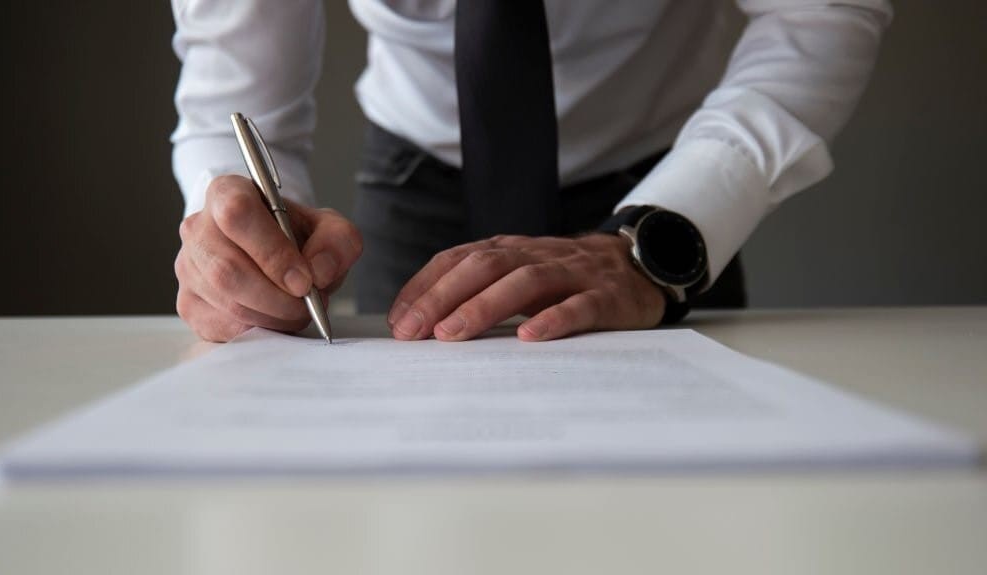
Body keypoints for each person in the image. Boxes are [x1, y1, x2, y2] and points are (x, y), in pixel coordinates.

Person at [170, 0, 891, 343]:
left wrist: (665, 231)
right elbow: (236, 90)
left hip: (659, 190)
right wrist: (241, 232)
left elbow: (822, 11)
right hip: (418, 180)